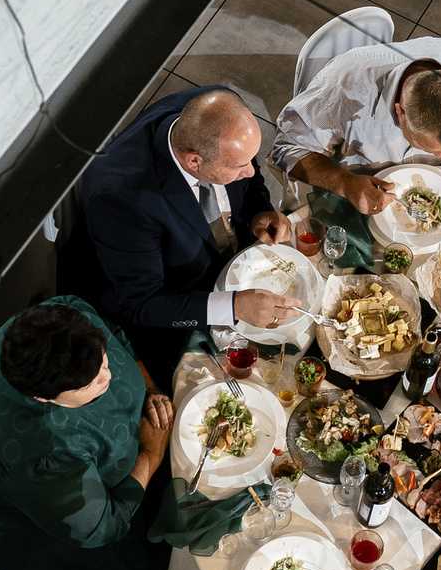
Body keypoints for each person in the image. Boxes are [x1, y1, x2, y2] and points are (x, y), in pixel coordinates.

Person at [56, 84, 297, 378]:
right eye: (238, 166)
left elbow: (251, 178)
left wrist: (260, 208)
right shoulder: (122, 200)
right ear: (193, 160)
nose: (250, 170)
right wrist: (233, 306)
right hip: (169, 296)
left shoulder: (217, 110)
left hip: (228, 260)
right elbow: (143, 303)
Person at [0, 296, 174, 570]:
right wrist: (150, 454)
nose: (108, 376)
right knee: (150, 559)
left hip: (81, 467)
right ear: (43, 397)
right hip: (34, 528)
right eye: (89, 384)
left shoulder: (60, 321)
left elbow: (113, 331)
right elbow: (102, 524)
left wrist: (150, 388)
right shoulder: (44, 450)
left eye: (103, 360)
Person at [273, 35, 441, 214]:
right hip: (346, 182)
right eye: (425, 146)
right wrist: (345, 184)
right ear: (400, 111)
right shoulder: (342, 94)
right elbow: (287, 147)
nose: (439, 155)